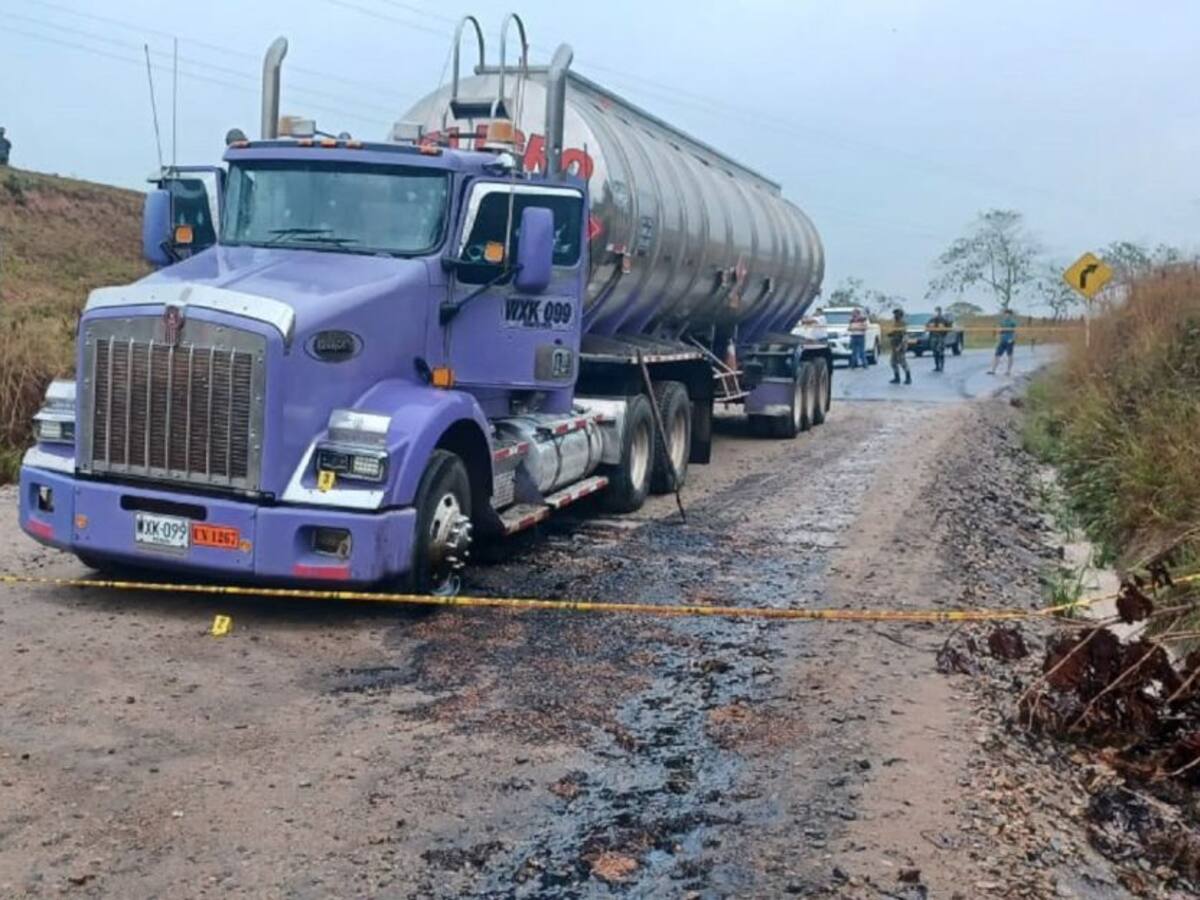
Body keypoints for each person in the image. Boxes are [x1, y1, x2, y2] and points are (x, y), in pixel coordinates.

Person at [988, 307, 1019, 376]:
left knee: (1009, 356)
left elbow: (1016, 332)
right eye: (1006, 314)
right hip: (1002, 340)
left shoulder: (1013, 322)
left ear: (1011, 315)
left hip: (1009, 340)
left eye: (1008, 314)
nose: (1007, 315)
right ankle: (993, 370)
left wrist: (1012, 339)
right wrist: (998, 337)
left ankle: (1008, 371)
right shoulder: (1002, 322)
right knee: (997, 355)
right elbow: (1000, 331)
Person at [886, 308, 911, 385]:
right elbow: (895, 332)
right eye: (894, 314)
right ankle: (897, 378)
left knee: (903, 362)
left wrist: (900, 346)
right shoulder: (895, 323)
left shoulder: (903, 323)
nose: (895, 316)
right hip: (895, 345)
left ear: (900, 315)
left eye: (896, 314)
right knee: (893, 363)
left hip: (900, 346)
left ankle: (908, 378)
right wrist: (891, 334)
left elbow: (905, 336)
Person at [926, 305, 953, 373]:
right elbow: (926, 327)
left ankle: (941, 366)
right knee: (935, 353)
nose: (936, 313)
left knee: (940, 352)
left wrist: (944, 332)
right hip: (933, 337)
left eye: (938, 311)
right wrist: (929, 327)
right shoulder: (931, 320)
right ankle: (937, 366)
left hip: (941, 337)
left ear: (940, 312)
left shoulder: (943, 319)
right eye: (935, 311)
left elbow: (949, 328)